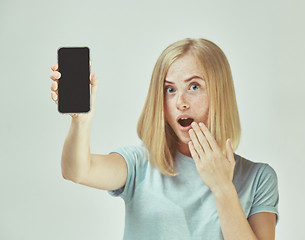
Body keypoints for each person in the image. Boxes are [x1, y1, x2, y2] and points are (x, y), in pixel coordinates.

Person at [50, 38, 279, 240]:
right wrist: (81, 122)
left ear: (220, 93)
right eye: (170, 89)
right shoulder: (138, 164)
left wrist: (222, 187)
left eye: (194, 86)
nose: (181, 102)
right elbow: (77, 171)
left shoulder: (258, 178)